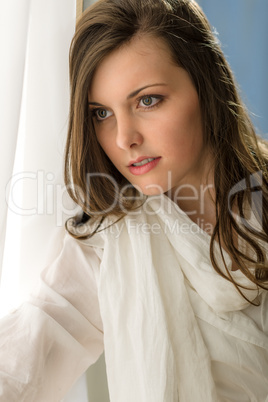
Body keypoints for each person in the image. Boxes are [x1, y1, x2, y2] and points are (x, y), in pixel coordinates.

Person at [0, 0, 268, 400]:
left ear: (205, 85)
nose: (124, 138)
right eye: (102, 114)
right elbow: (26, 357)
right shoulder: (111, 245)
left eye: (147, 100)